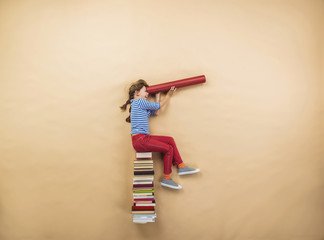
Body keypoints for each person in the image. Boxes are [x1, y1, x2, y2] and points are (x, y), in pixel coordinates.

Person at [120, 79, 200, 189]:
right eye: (145, 91)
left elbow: (156, 112)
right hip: (140, 140)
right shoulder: (139, 102)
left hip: (142, 139)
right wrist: (168, 95)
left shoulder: (140, 105)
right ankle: (166, 178)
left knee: (170, 140)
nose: (147, 93)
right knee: (168, 149)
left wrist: (158, 95)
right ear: (137, 93)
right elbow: (158, 106)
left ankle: (181, 166)